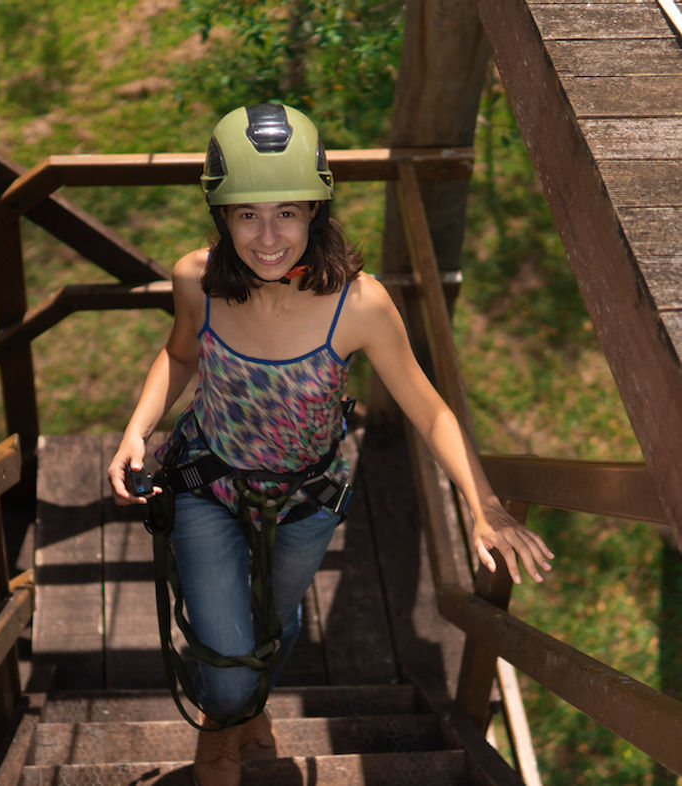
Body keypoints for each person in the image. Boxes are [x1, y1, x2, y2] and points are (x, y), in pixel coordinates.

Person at [108, 103, 554, 786]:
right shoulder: (197, 278)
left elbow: (428, 408)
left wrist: (482, 501)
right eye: (246, 214)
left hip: (306, 499)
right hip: (206, 482)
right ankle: (225, 724)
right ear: (219, 215)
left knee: (276, 619)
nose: (266, 236)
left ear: (316, 210)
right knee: (224, 668)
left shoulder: (359, 304)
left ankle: (248, 709)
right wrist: (137, 429)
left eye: (287, 211)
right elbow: (178, 356)